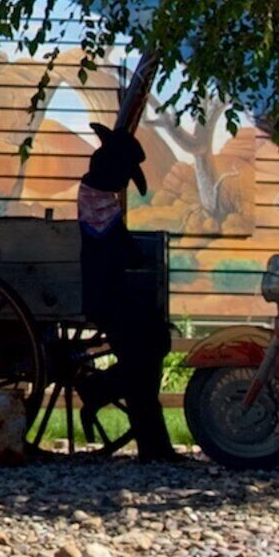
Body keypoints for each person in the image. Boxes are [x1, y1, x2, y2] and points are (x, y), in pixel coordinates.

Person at [75, 78, 180, 462]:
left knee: (151, 348)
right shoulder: (97, 202)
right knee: (145, 353)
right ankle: (108, 396)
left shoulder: (97, 198)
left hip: (114, 294)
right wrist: (134, 255)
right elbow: (119, 251)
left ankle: (111, 399)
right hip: (108, 297)